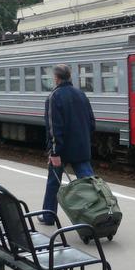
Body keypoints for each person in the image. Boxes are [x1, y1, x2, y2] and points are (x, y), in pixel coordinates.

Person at [40, 63, 96, 224]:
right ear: (70, 77)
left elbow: (53, 128)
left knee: (53, 184)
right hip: (81, 148)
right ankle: (97, 213)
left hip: (62, 151)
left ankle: (49, 216)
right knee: (89, 185)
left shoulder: (54, 97)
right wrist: (83, 140)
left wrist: (55, 152)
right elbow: (92, 123)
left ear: (56, 78)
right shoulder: (81, 94)